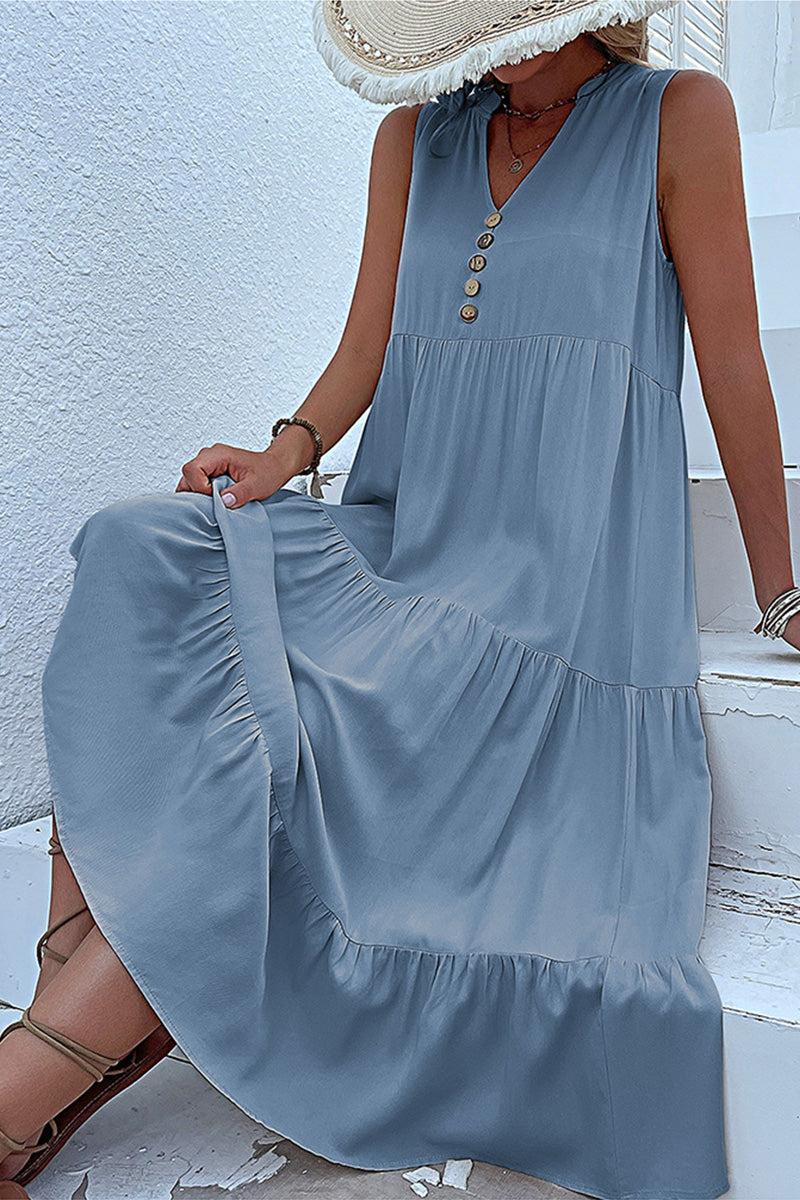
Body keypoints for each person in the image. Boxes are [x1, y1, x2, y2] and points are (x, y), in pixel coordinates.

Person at [3, 0, 798, 1195]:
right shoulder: (415, 137)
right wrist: (285, 450)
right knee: (137, 545)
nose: (498, 44)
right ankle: (74, 1006)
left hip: (559, 580)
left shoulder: (678, 115)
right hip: (406, 528)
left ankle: (29, 1087)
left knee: (323, 724)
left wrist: (778, 591)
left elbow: (731, 362)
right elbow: (367, 342)